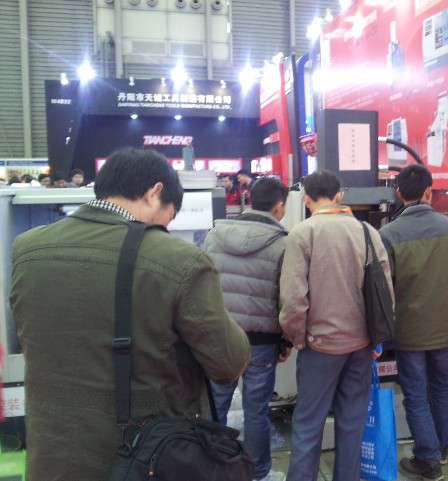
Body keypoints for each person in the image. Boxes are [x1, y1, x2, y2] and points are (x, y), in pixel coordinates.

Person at [10, 147, 250, 481]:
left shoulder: (27, 248)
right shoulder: (179, 259)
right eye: (169, 216)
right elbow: (228, 363)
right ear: (155, 193)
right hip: (143, 459)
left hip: (51, 457)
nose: (166, 227)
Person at [280, 171, 393, 481]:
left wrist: (297, 338)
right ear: (339, 196)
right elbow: (386, 292)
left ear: (306, 199)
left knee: (308, 424)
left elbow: (293, 299)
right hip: (361, 346)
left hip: (319, 346)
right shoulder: (368, 232)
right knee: (352, 422)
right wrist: (376, 339)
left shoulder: (302, 234)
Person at [379, 165, 448, 480]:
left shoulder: (388, 234)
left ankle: (428, 460)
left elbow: (383, 287)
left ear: (398, 194)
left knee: (416, 393)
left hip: (409, 331)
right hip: (445, 326)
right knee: (443, 386)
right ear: (429, 192)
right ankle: (443, 448)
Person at [204, 177, 291, 481]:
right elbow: (286, 297)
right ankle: (257, 473)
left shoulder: (215, 235)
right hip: (262, 342)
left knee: (215, 405)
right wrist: (285, 341)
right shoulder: (282, 243)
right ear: (279, 206)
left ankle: (213, 469)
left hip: (220, 337)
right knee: (256, 410)